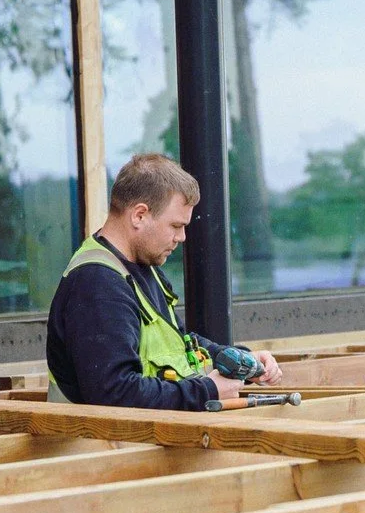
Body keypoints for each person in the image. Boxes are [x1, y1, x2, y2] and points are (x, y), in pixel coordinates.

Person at [47, 154, 281, 410]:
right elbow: (113, 392)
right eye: (175, 225)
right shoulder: (97, 283)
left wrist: (236, 360)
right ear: (139, 215)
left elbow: (179, 345)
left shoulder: (145, 267)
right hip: (102, 445)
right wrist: (207, 390)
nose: (181, 237)